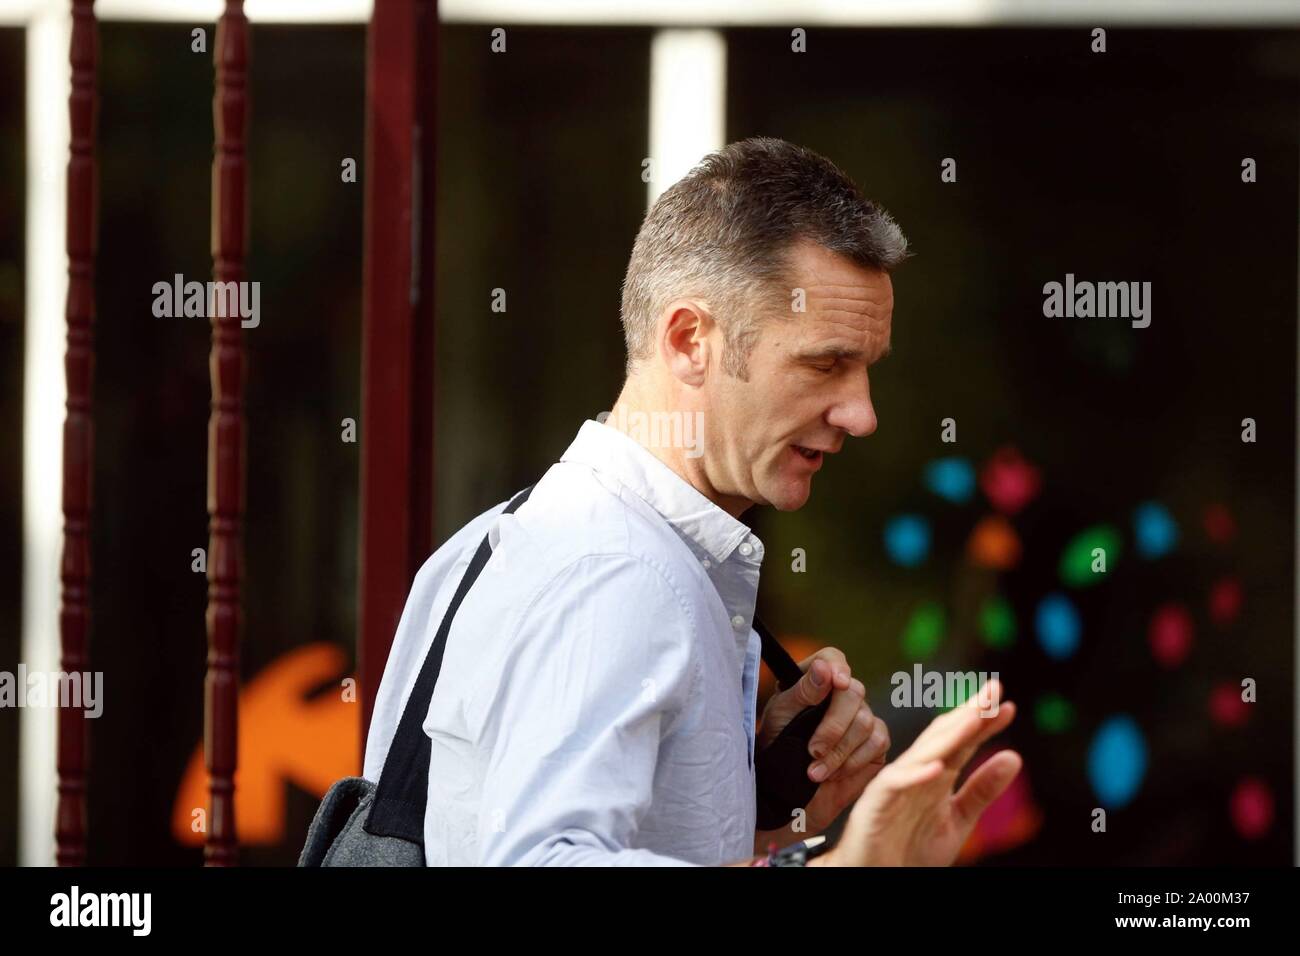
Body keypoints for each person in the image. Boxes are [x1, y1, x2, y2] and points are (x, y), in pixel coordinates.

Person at [363, 136, 1022, 866]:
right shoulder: (617, 571)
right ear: (688, 340)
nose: (861, 414)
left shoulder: (494, 541)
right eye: (825, 364)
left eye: (865, 370)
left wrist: (759, 806)